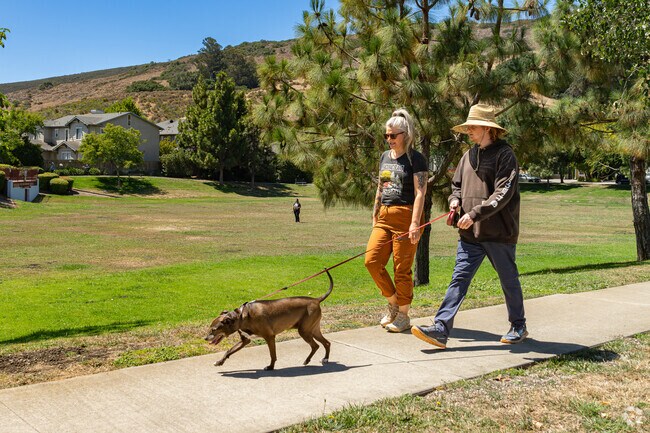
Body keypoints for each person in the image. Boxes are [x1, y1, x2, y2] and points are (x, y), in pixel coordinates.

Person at [411, 103, 527, 348]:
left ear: (487, 129)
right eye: (467, 128)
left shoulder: (506, 155)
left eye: (472, 127)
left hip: (499, 234)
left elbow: (503, 193)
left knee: (508, 280)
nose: (468, 132)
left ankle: (518, 325)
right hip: (469, 234)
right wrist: (455, 202)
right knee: (459, 279)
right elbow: (457, 186)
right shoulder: (468, 156)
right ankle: (441, 329)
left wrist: (474, 213)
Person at [365, 108, 428, 333]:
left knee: (402, 268)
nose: (389, 139)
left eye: (393, 135)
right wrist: (375, 214)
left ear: (406, 134)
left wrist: (415, 223)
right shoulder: (384, 157)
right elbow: (381, 187)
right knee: (372, 261)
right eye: (386, 136)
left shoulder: (415, 158)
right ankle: (392, 302)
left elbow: (421, 192)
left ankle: (403, 315)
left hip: (405, 215)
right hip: (384, 214)